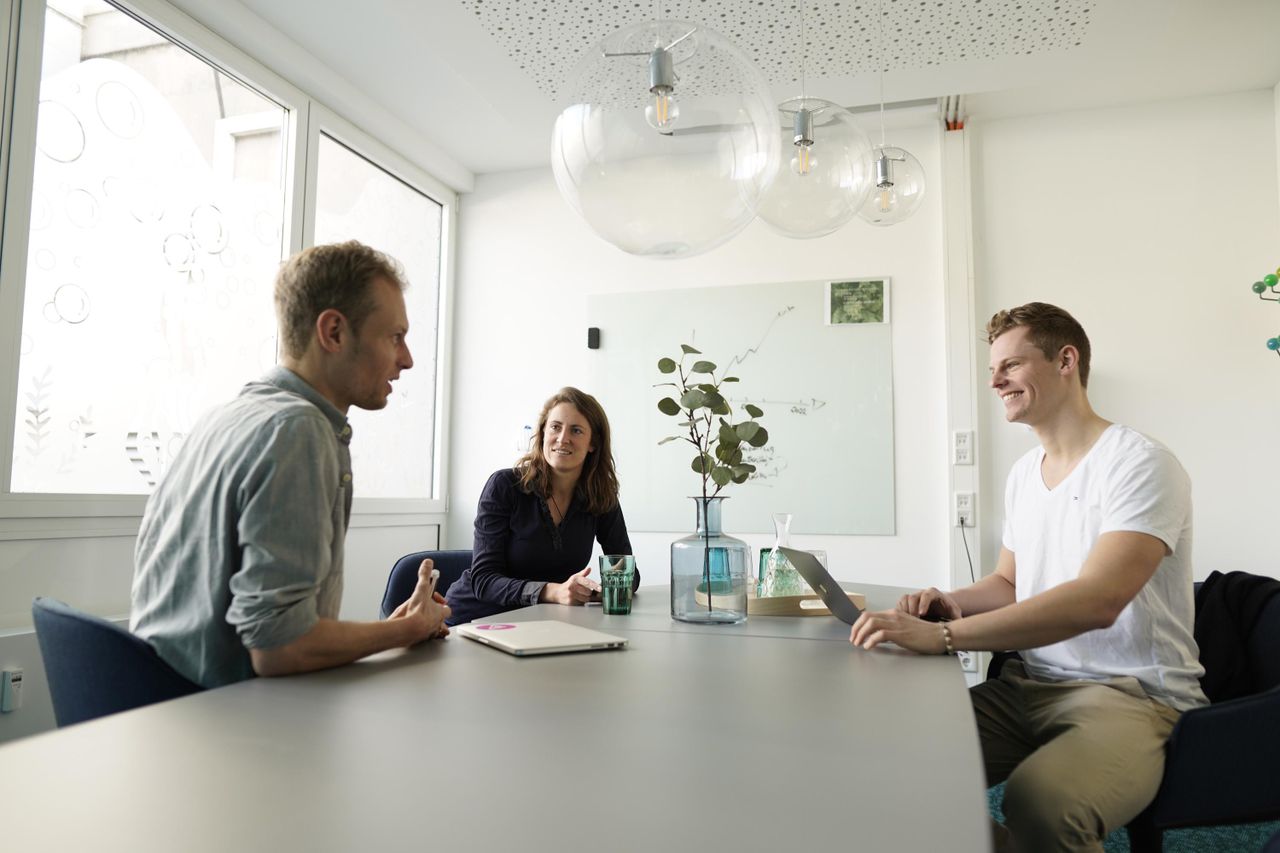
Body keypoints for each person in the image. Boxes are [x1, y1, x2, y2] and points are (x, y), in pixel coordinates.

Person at [850, 302, 1206, 852]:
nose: (995, 381)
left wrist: (944, 636)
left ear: (1066, 360)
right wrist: (950, 601)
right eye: (994, 369)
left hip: (1131, 695)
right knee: (882, 763)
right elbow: (1010, 584)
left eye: (1011, 366)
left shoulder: (1140, 464)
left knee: (1042, 802)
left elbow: (1098, 601)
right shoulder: (1024, 474)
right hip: (1030, 686)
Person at [131, 241, 450, 689]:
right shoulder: (298, 431)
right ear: (334, 332)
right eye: (394, 336)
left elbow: (278, 632)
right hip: (227, 730)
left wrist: (387, 630)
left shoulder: (225, 416)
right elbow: (279, 647)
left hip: (165, 711)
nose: (407, 359)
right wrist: (406, 629)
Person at [445, 387, 637, 625]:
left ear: (593, 443)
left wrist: (597, 589)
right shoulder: (505, 486)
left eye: (576, 430)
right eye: (555, 427)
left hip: (541, 624)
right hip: (475, 620)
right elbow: (484, 580)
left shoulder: (600, 496)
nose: (562, 438)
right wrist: (553, 591)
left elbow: (627, 572)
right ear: (543, 432)